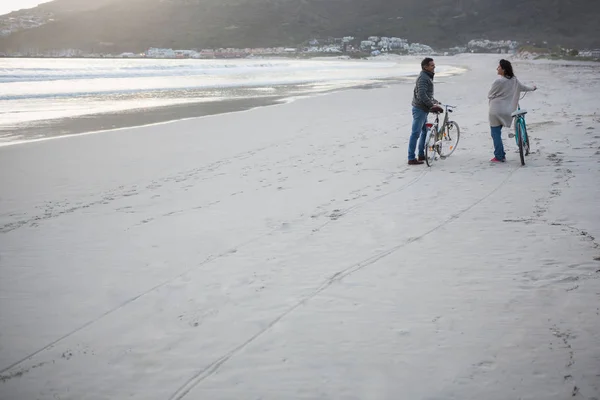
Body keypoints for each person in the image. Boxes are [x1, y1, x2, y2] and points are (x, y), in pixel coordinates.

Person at [488, 59, 536, 162]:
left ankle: (499, 156)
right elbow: (523, 87)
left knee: (495, 134)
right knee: (499, 131)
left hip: (495, 111)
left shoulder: (498, 81)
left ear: (504, 69)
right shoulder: (514, 80)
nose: (497, 68)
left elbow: (490, 95)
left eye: (499, 67)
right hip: (508, 111)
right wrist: (533, 88)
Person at [408, 57, 443, 165]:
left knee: (425, 132)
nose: (434, 67)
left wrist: (435, 102)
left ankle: (421, 154)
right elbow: (421, 94)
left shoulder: (427, 76)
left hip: (424, 109)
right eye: (432, 65)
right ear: (425, 67)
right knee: (415, 133)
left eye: (434, 65)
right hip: (419, 109)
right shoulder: (423, 78)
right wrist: (432, 105)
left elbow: (427, 94)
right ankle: (411, 158)